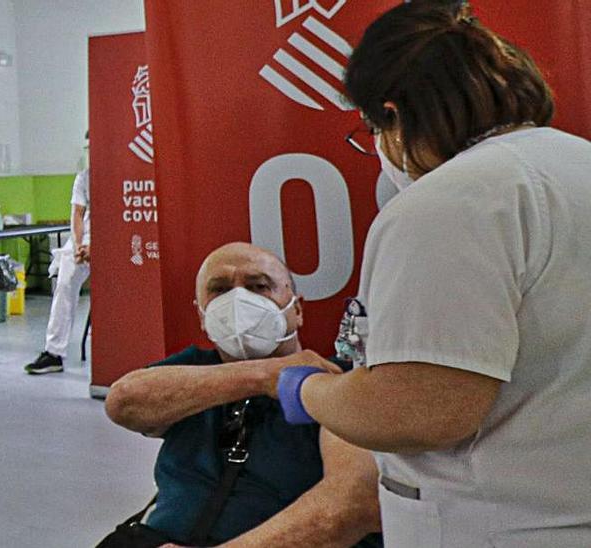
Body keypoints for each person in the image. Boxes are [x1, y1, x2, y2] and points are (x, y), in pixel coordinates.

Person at [251, 2, 591, 545]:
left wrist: (307, 389)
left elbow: (419, 410)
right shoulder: (577, 166)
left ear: (394, 114)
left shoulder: (450, 202)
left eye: (372, 129)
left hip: (497, 523)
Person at [102, 243, 382, 547]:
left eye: (258, 286)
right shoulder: (195, 370)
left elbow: (351, 506)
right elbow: (123, 402)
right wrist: (266, 375)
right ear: (201, 315)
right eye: (220, 290)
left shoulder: (335, 379)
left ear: (297, 309)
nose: (238, 300)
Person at [24, 135, 92, 374]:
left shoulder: (123, 175)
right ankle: (54, 353)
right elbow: (77, 215)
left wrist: (100, 248)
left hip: (118, 242)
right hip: (84, 243)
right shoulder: (84, 178)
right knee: (65, 282)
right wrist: (77, 247)